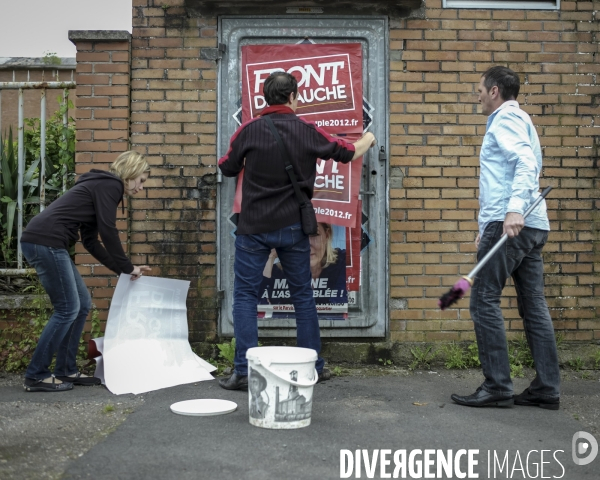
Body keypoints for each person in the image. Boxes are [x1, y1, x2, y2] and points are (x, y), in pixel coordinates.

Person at [218, 71, 377, 390]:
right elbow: (345, 152)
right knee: (303, 296)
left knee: (246, 296)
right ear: (293, 96)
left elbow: (226, 166)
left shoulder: (247, 130)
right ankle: (313, 367)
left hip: (254, 228)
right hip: (293, 226)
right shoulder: (307, 130)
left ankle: (244, 372)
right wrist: (369, 139)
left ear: (265, 97)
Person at [451, 66, 560, 410]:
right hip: (530, 225)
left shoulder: (505, 120)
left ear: (494, 90)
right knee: (534, 306)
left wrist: (512, 211)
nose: (477, 95)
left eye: (480, 89)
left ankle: (497, 386)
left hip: (513, 224)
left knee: (482, 298)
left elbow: (526, 163)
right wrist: (485, 227)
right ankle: (546, 388)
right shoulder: (519, 119)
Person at [20, 151, 152, 393]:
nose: (141, 187)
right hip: (45, 241)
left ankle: (66, 370)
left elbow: (91, 241)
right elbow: (109, 231)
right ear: (130, 172)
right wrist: (127, 266)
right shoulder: (111, 185)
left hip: (48, 242)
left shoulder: (101, 187)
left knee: (81, 304)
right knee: (67, 308)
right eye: (141, 180)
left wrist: (121, 270)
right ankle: (37, 375)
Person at [259, 222, 347, 307]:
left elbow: (343, 307)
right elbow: (260, 309)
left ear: (327, 235)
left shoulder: (344, 261)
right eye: (297, 235)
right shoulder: (274, 273)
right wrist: (270, 256)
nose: (307, 246)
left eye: (314, 234)